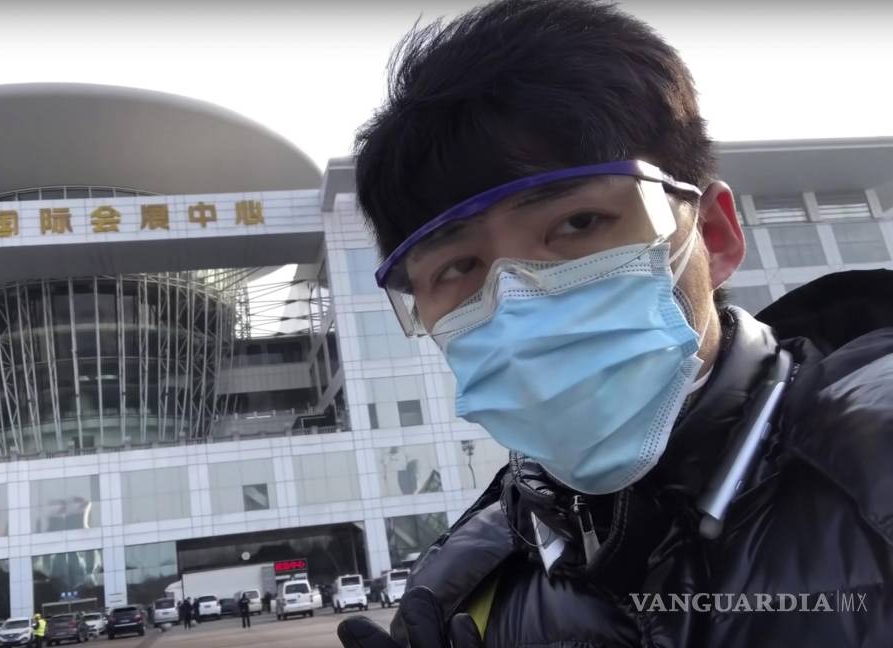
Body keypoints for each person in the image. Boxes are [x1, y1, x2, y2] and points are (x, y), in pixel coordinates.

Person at [335, 1, 893, 647]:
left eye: (577, 223)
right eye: (458, 267)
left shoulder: (874, 463)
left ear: (712, 235)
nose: (517, 302)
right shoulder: (461, 596)